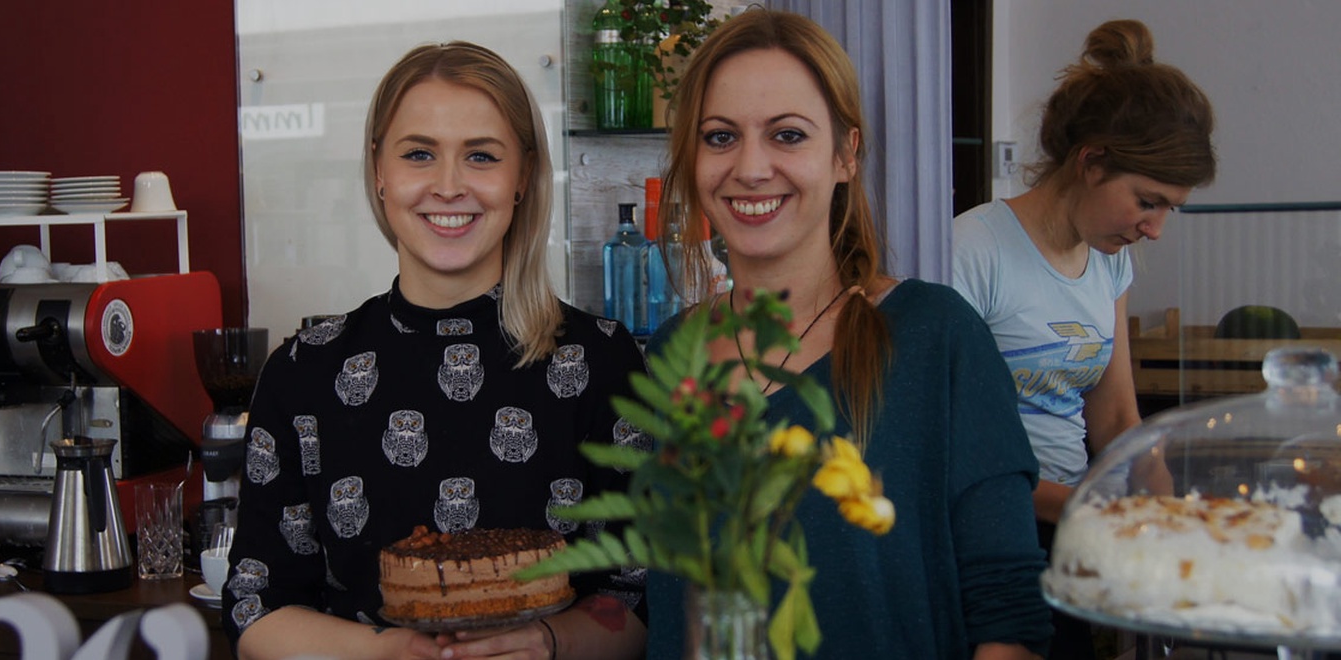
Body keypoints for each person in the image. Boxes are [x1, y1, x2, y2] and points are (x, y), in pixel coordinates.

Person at [644, 9, 1052, 659]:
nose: (750, 168)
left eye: (787, 135)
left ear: (846, 155)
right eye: (720, 137)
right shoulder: (670, 353)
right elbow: (661, 602)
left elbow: (1008, 609)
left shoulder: (936, 337)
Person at [221, 41, 648, 660]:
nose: (448, 186)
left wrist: (548, 642)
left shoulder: (603, 364)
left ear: (524, 174)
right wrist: (388, 653)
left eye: (481, 155)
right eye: (419, 153)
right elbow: (257, 608)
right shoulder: (303, 373)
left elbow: (637, 596)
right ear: (379, 171)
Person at [951, 19, 1215, 659]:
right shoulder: (974, 249)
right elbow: (949, 447)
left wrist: (1168, 517)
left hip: (1073, 526)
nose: (1154, 229)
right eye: (1147, 201)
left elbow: (1118, 415)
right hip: (994, 537)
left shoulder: (1109, 260)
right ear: (1091, 161)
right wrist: (1093, 514)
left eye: (1168, 210)